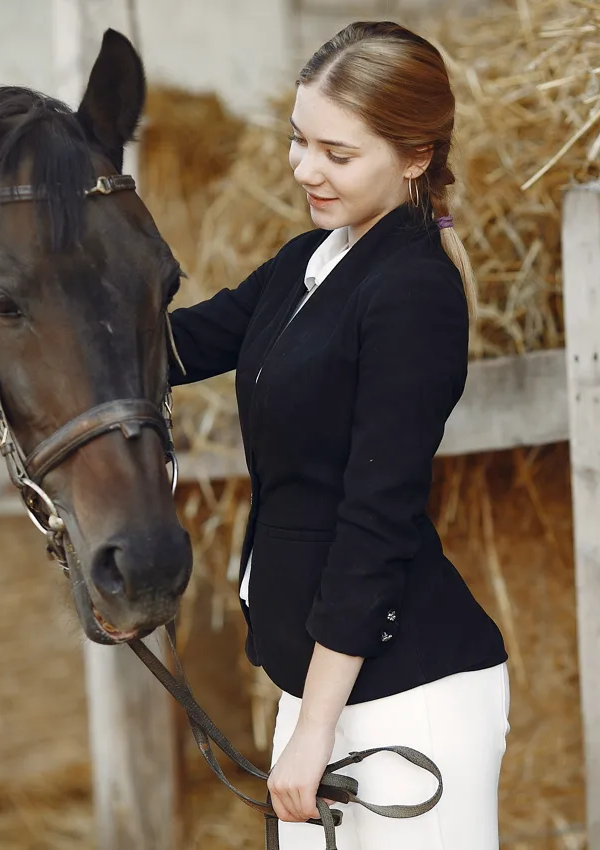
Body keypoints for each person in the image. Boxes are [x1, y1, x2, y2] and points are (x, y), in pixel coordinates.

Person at [166, 20, 509, 850]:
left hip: (406, 695)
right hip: (318, 688)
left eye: (337, 153)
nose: (305, 170)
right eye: (297, 141)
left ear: (416, 157)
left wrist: (313, 729)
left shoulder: (415, 291)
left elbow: (375, 517)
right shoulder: (307, 261)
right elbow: (177, 346)